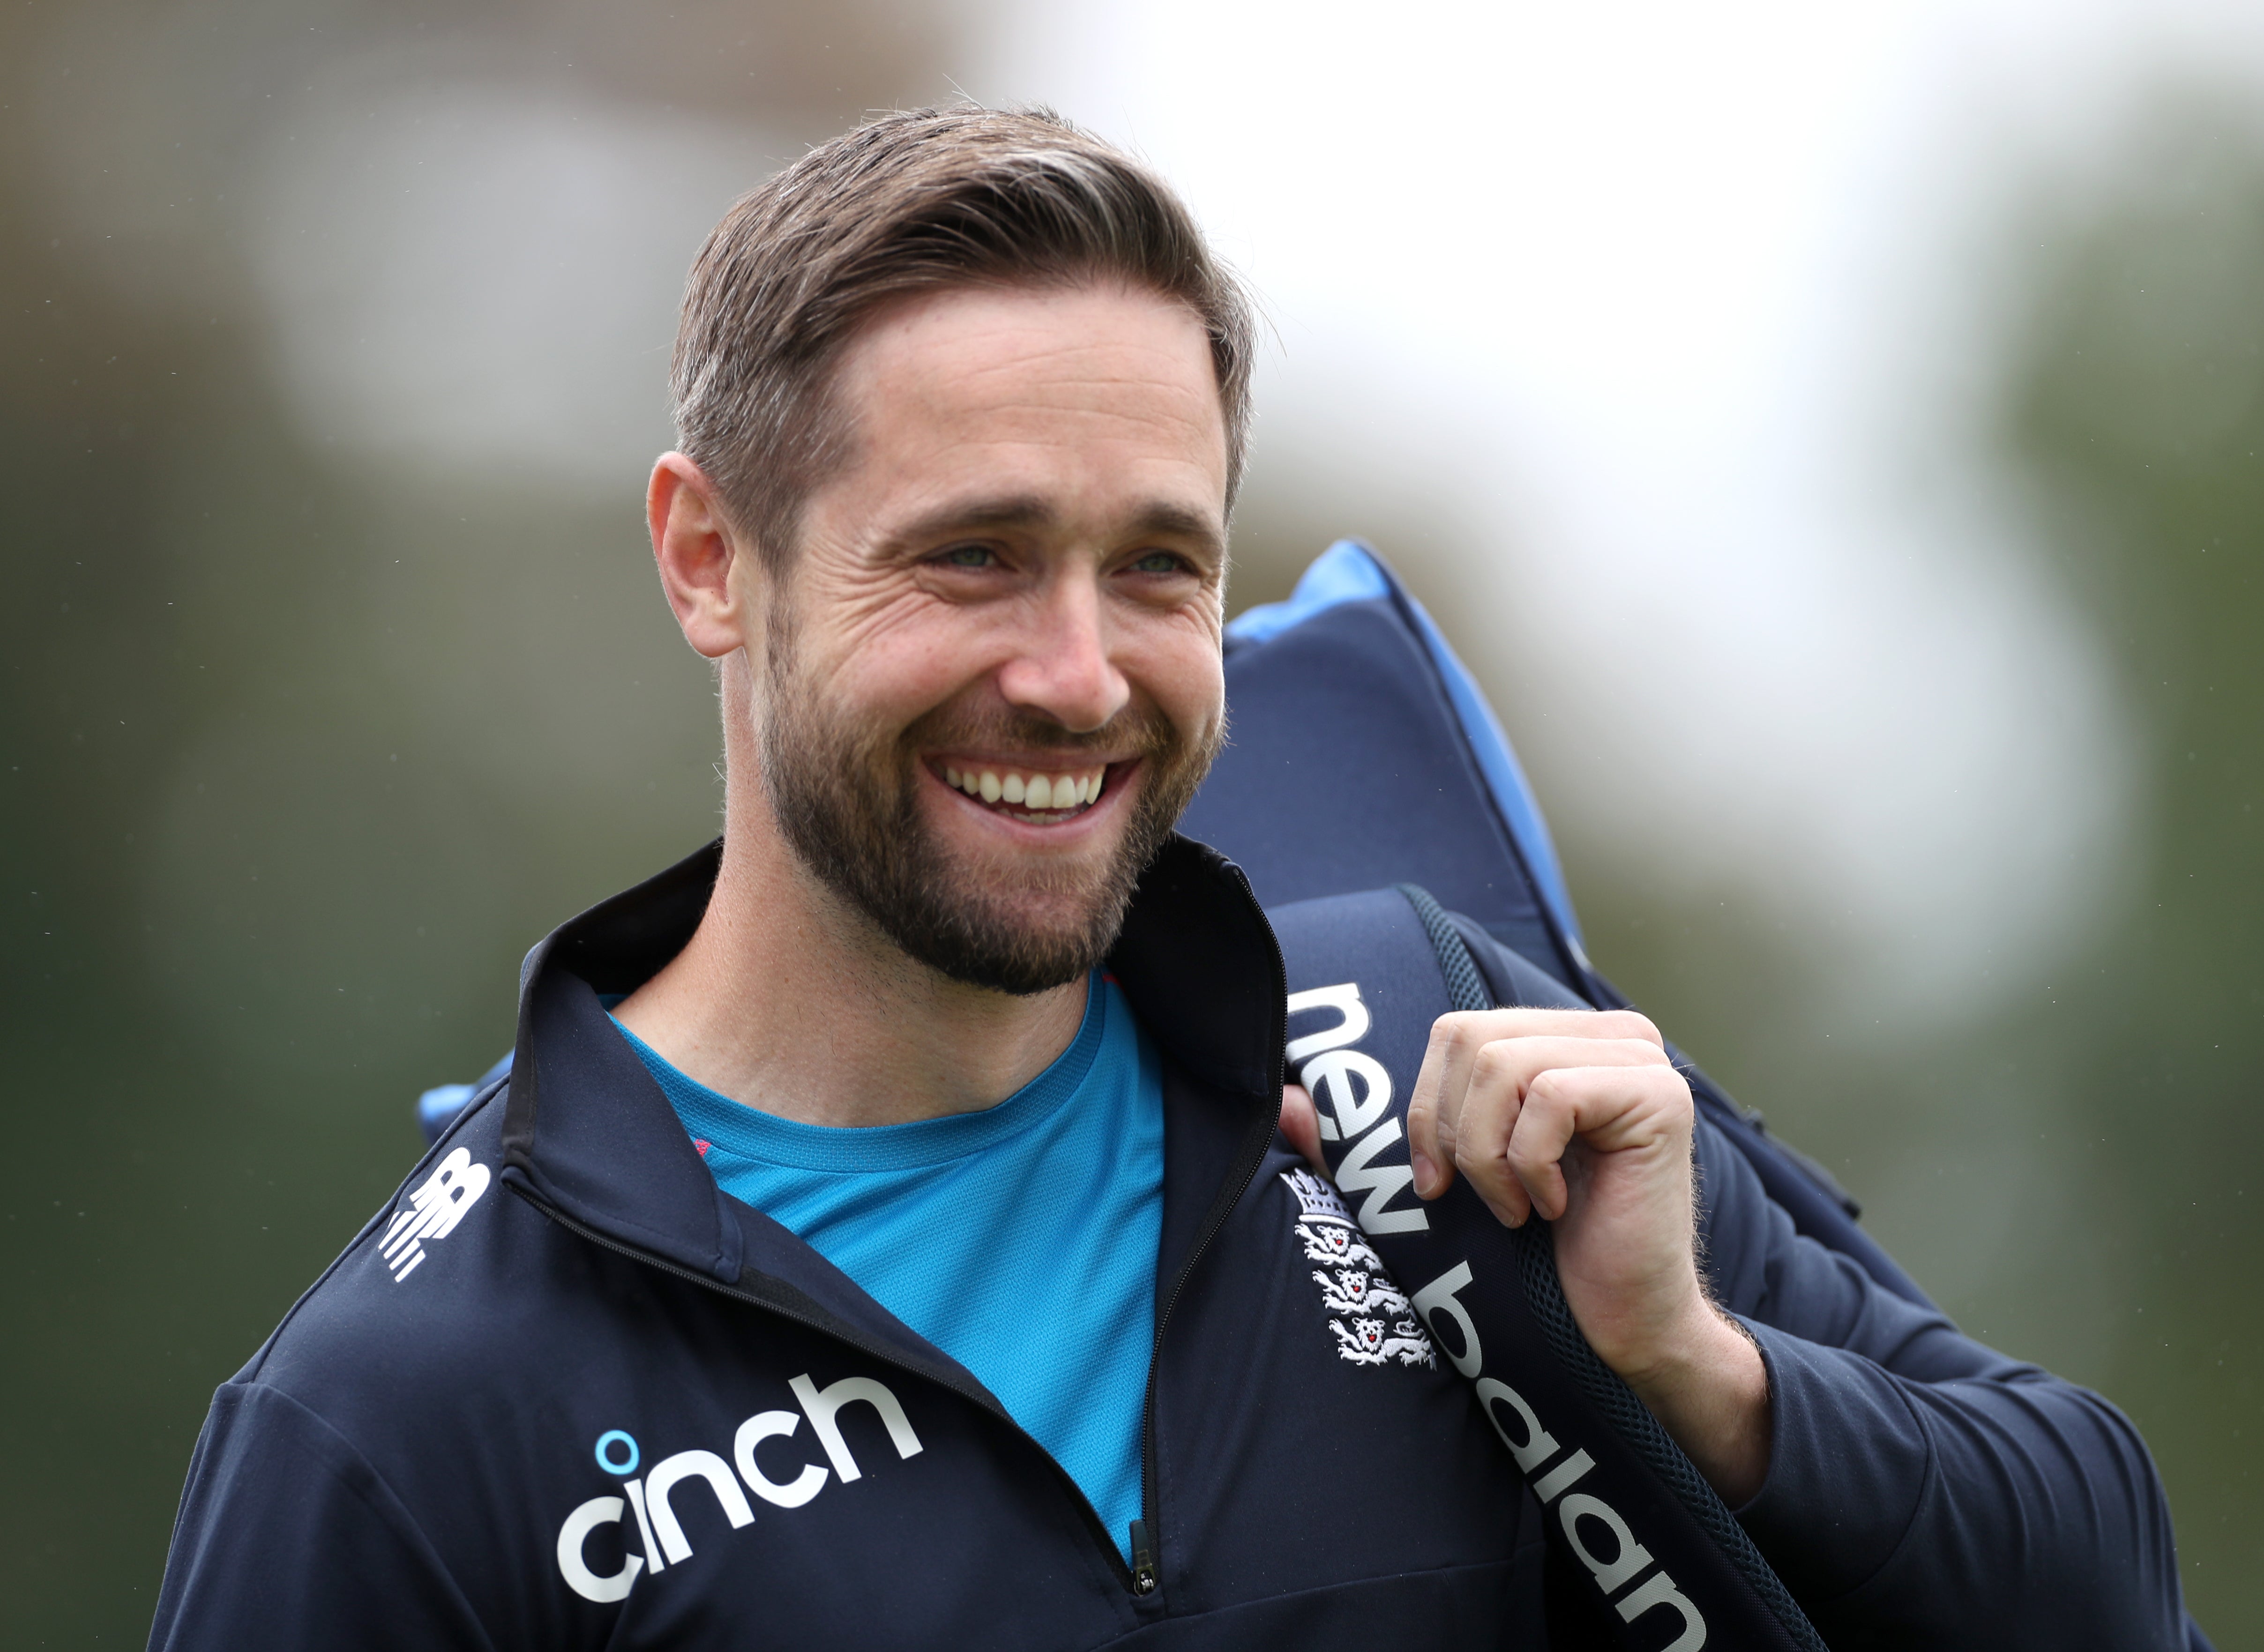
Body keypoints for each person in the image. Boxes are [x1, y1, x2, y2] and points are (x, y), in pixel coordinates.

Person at [146, 107, 2202, 1649]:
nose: (1076, 675)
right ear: (711, 561)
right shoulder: (408, 1411)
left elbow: (2107, 1582)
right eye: (971, 557)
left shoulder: (1437, 1089)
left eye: (1156, 566)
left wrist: (1695, 1371)